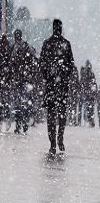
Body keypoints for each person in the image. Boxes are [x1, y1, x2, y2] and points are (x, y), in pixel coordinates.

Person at [39, 19, 76, 155]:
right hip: (60, 86)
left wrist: (50, 74)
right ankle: (57, 139)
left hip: (53, 86)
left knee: (53, 115)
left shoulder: (48, 43)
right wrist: (62, 73)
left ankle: (54, 142)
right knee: (60, 114)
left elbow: (42, 63)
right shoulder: (65, 44)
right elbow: (71, 65)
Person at [10, 29, 34, 134]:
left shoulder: (15, 47)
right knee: (23, 103)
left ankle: (19, 125)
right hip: (23, 79)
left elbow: (10, 63)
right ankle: (23, 124)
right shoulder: (25, 46)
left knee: (18, 104)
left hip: (19, 79)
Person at [0, 34, 12, 132]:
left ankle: (4, 122)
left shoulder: (5, 52)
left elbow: (9, 66)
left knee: (4, 103)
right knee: (2, 104)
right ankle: (2, 122)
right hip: (2, 82)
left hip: (3, 82)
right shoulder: (3, 52)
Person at [80, 60, 97, 127]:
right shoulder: (88, 74)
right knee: (89, 108)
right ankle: (89, 120)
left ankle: (89, 120)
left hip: (88, 93)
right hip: (88, 93)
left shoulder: (87, 74)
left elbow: (92, 83)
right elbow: (93, 83)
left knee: (88, 108)